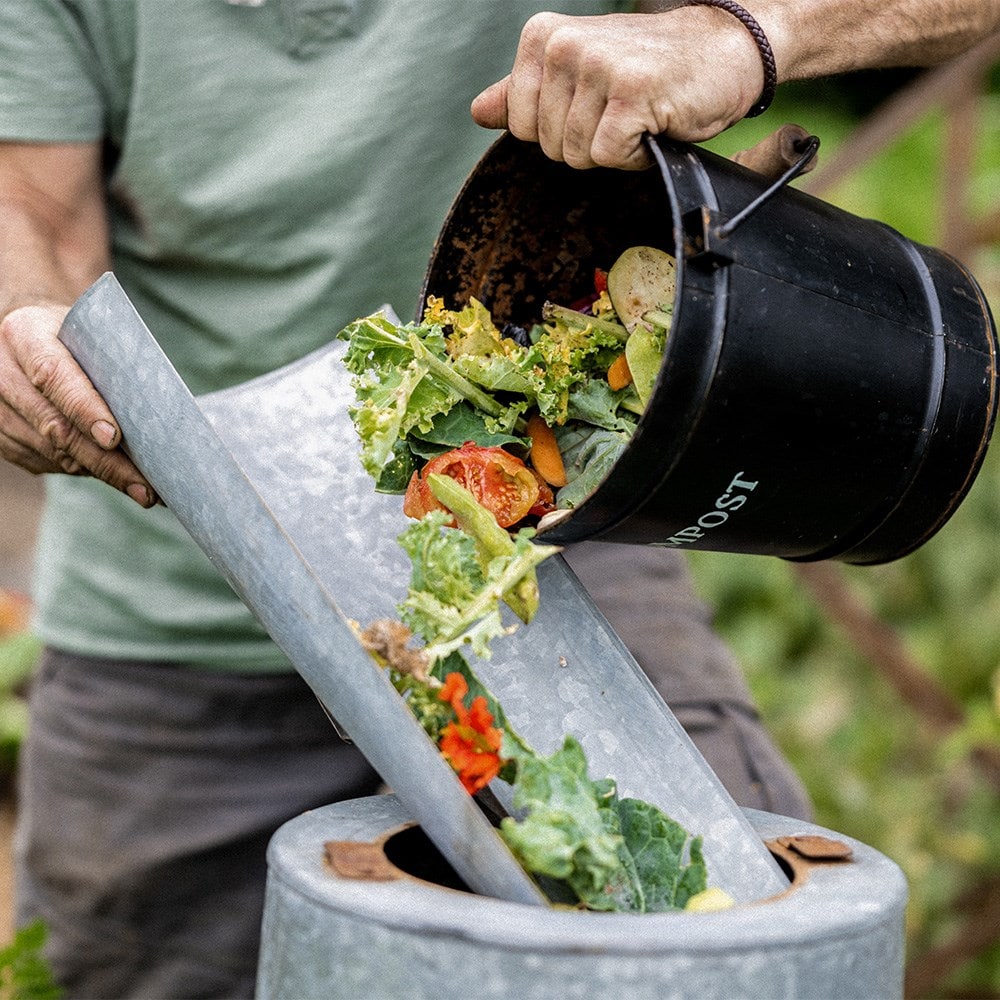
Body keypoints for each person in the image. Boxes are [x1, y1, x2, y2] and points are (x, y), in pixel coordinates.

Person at [0, 1, 996, 997]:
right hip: (178, 609)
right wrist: (26, 326)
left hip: (558, 557)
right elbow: (32, 213)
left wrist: (747, 33)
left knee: (738, 954)